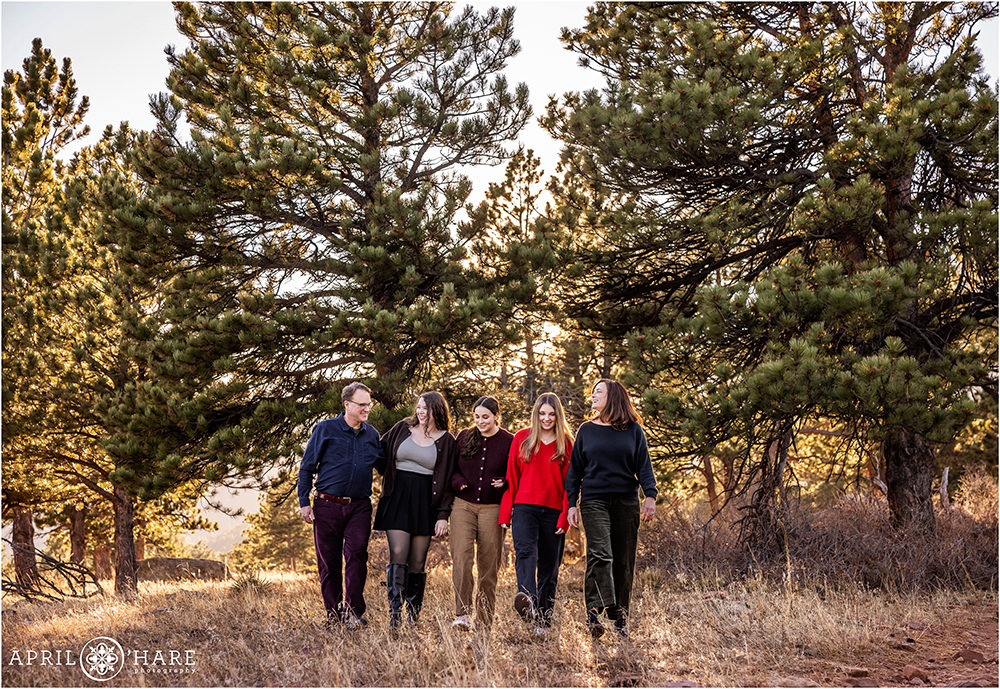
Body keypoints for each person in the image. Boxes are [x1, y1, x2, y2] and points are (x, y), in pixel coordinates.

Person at [566, 379, 657, 640]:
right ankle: (594, 613)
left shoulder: (633, 430)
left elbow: (644, 466)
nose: (593, 395)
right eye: (593, 391)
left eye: (599, 392)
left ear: (613, 397)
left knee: (623, 560)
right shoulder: (586, 430)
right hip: (593, 500)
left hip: (626, 501)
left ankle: (620, 619)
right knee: (600, 553)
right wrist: (571, 503)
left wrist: (650, 495)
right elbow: (574, 471)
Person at [298, 381, 383, 630]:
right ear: (347, 404)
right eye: (362, 404)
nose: (367, 409)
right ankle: (333, 615)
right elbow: (306, 468)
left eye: (369, 404)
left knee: (357, 556)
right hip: (326, 506)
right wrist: (304, 503)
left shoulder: (372, 434)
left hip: (359, 507)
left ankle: (354, 613)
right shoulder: (325, 429)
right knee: (329, 562)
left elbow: (385, 465)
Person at [375, 391, 458, 629]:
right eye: (419, 407)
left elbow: (448, 481)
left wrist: (442, 515)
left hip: (425, 503)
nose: (420, 412)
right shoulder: (402, 428)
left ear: (437, 411)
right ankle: (395, 615)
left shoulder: (447, 441)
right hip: (397, 498)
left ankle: (413, 616)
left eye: (426, 409)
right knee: (398, 551)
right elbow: (379, 451)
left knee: (417, 562)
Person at [499, 393, 574, 633]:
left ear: (558, 416)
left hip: (553, 511)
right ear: (536, 414)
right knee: (525, 553)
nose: (546, 418)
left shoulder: (566, 443)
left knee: (549, 568)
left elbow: (570, 485)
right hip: (524, 508)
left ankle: (543, 622)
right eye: (542, 413)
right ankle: (527, 600)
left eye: (551, 414)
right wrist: (505, 514)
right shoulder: (522, 438)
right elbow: (511, 477)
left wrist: (565, 517)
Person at [448, 396, 514, 631]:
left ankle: (485, 621)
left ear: (497, 416)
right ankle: (462, 615)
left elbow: (514, 474)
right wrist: (458, 482)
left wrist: (504, 482)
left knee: (488, 565)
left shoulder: (509, 441)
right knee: (462, 558)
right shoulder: (464, 436)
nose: (480, 421)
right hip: (463, 505)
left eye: (485, 417)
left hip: (492, 508)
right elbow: (451, 470)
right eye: (477, 417)